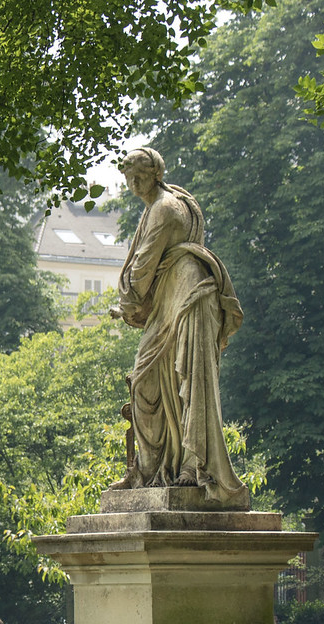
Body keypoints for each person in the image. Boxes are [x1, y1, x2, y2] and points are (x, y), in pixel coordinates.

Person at [108, 147, 246, 505]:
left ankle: (188, 467)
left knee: (184, 380)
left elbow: (142, 270)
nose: (134, 183)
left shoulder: (165, 209)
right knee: (154, 381)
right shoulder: (164, 203)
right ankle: (153, 469)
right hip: (175, 300)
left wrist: (126, 306)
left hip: (188, 299)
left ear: (156, 173)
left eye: (139, 175)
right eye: (129, 177)